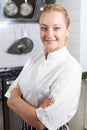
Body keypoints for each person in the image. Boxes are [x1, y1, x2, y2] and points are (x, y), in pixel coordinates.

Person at [5, 4, 82, 130]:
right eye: (44, 28)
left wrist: (17, 98)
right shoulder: (33, 59)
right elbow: (9, 102)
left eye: (56, 28)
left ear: (68, 30)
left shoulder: (70, 68)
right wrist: (35, 111)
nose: (49, 34)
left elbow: (41, 124)